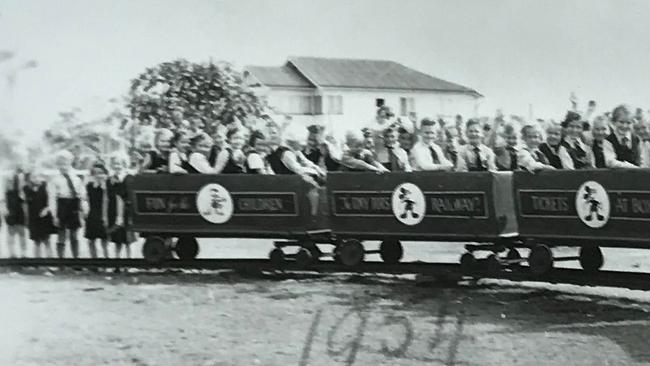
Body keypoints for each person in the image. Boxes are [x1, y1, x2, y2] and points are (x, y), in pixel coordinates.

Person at [49, 150, 86, 258]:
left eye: (65, 163)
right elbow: (52, 198)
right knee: (61, 234)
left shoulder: (76, 178)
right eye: (60, 164)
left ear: (70, 163)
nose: (63, 166)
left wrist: (83, 208)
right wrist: (54, 215)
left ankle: (75, 260)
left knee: (74, 235)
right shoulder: (55, 180)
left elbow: (82, 195)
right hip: (62, 206)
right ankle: (61, 262)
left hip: (73, 206)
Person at [24, 171, 55, 258]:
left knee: (47, 240)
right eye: (33, 177)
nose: (36, 179)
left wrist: (47, 209)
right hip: (33, 218)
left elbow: (51, 200)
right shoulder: (26, 188)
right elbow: (25, 204)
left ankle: (50, 262)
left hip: (45, 217)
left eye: (37, 176)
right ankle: (38, 262)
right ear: (29, 179)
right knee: (36, 241)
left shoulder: (45, 186)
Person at [85, 163, 110, 258]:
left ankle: (106, 263)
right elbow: (86, 199)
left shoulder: (107, 186)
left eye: (100, 173)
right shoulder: (89, 186)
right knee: (91, 241)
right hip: (92, 214)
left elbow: (107, 201)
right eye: (95, 173)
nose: (98, 175)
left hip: (104, 215)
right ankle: (94, 263)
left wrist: (103, 185)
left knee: (104, 242)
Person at [107, 154, 129, 258]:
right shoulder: (110, 180)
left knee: (128, 239)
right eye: (115, 164)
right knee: (117, 238)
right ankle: (117, 260)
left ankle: (130, 261)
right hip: (114, 210)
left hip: (127, 210)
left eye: (119, 164)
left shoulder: (128, 178)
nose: (117, 166)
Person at [4, 168, 27, 257]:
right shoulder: (7, 183)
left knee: (22, 232)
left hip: (20, 211)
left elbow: (25, 200)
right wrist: (5, 209)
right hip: (11, 210)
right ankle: (12, 254)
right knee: (11, 233)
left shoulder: (24, 186)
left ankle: (23, 254)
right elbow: (3, 197)